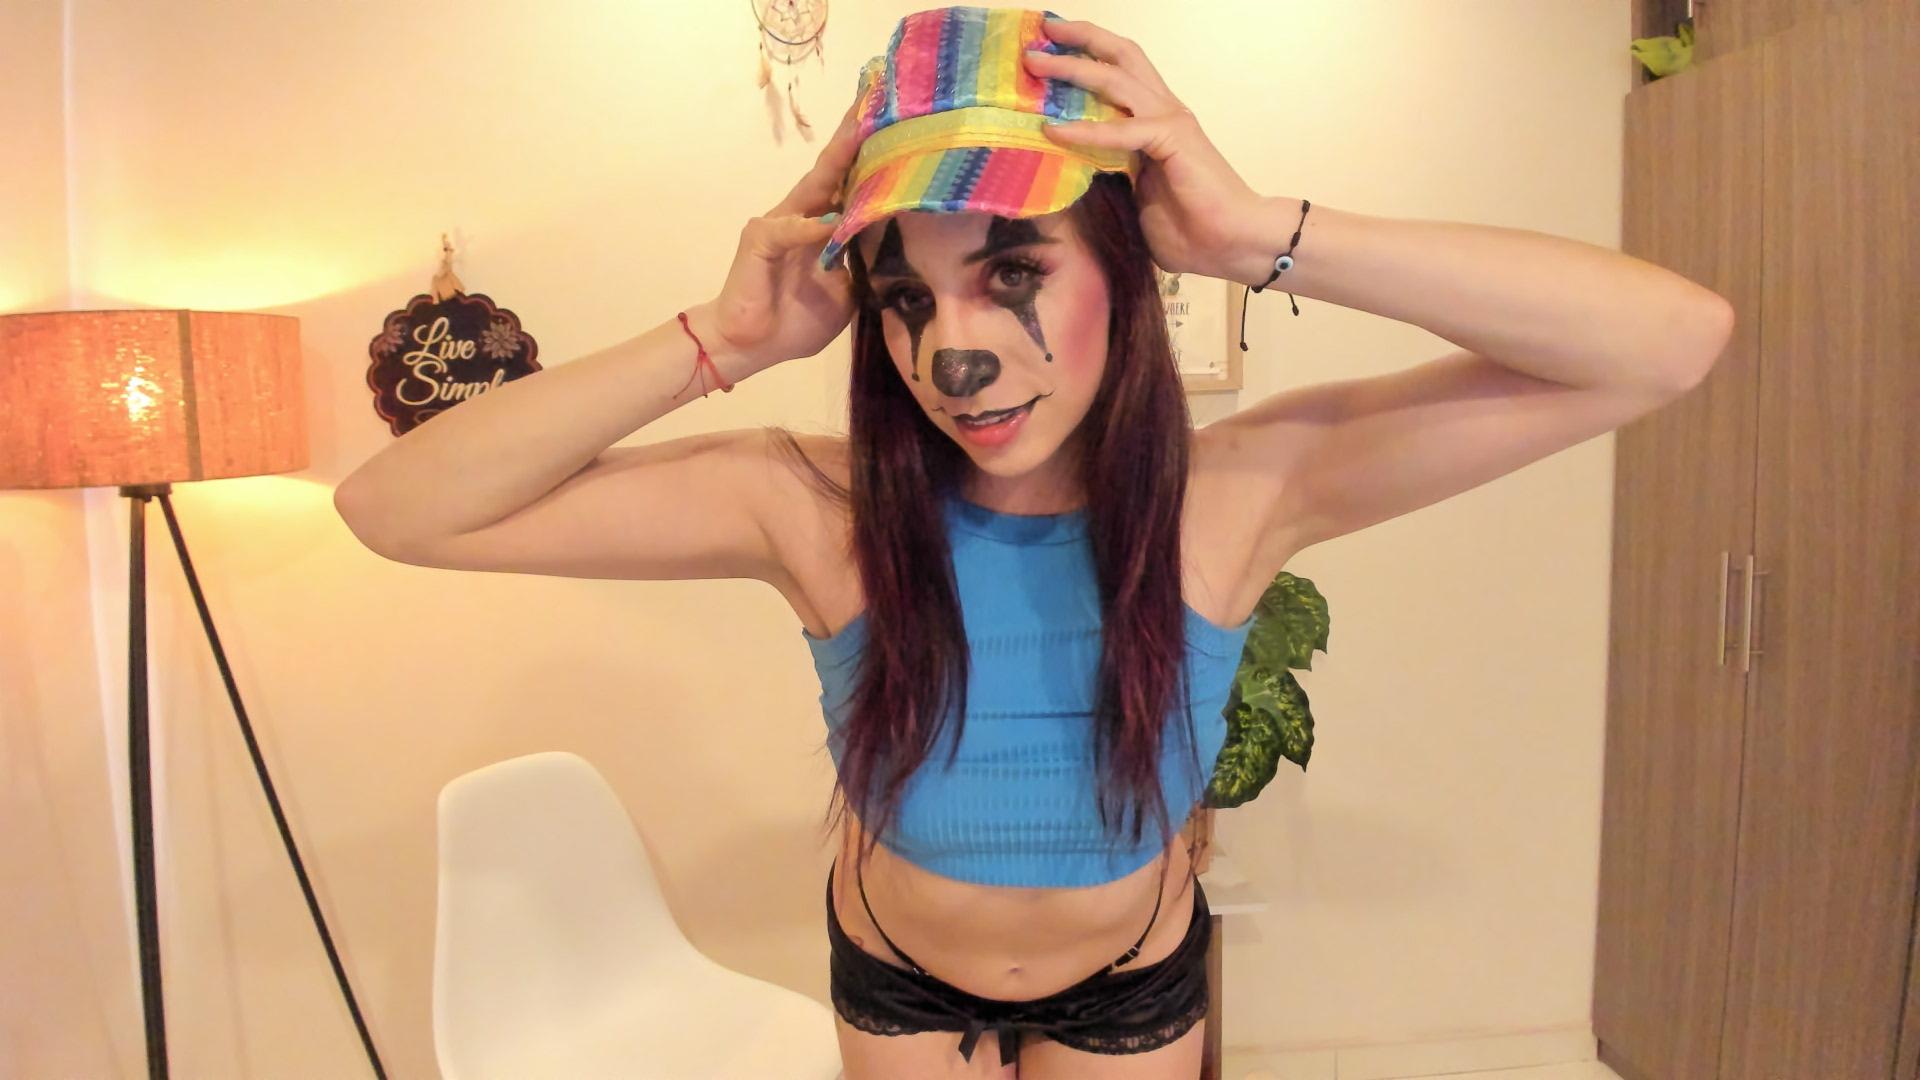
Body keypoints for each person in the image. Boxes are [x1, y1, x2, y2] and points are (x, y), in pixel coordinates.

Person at [334, 7, 1733, 1078]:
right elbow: (396, 510)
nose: (954, 353)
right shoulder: (809, 505)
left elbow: (1669, 342)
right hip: (895, 976)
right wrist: (724, 338)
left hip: (1131, 981)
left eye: (1013, 273)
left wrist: (1258, 233)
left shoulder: (1237, 495)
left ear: (1126, 270)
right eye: (907, 298)